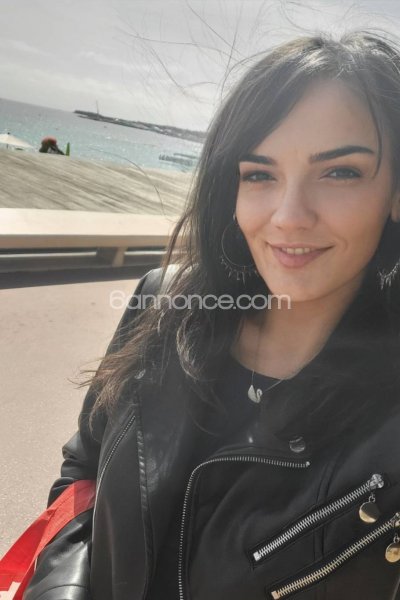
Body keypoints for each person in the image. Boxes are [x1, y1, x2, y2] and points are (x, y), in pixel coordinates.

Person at [24, 30, 400, 600]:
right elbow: (85, 468)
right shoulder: (165, 304)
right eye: (260, 174)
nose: (288, 216)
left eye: (340, 171)